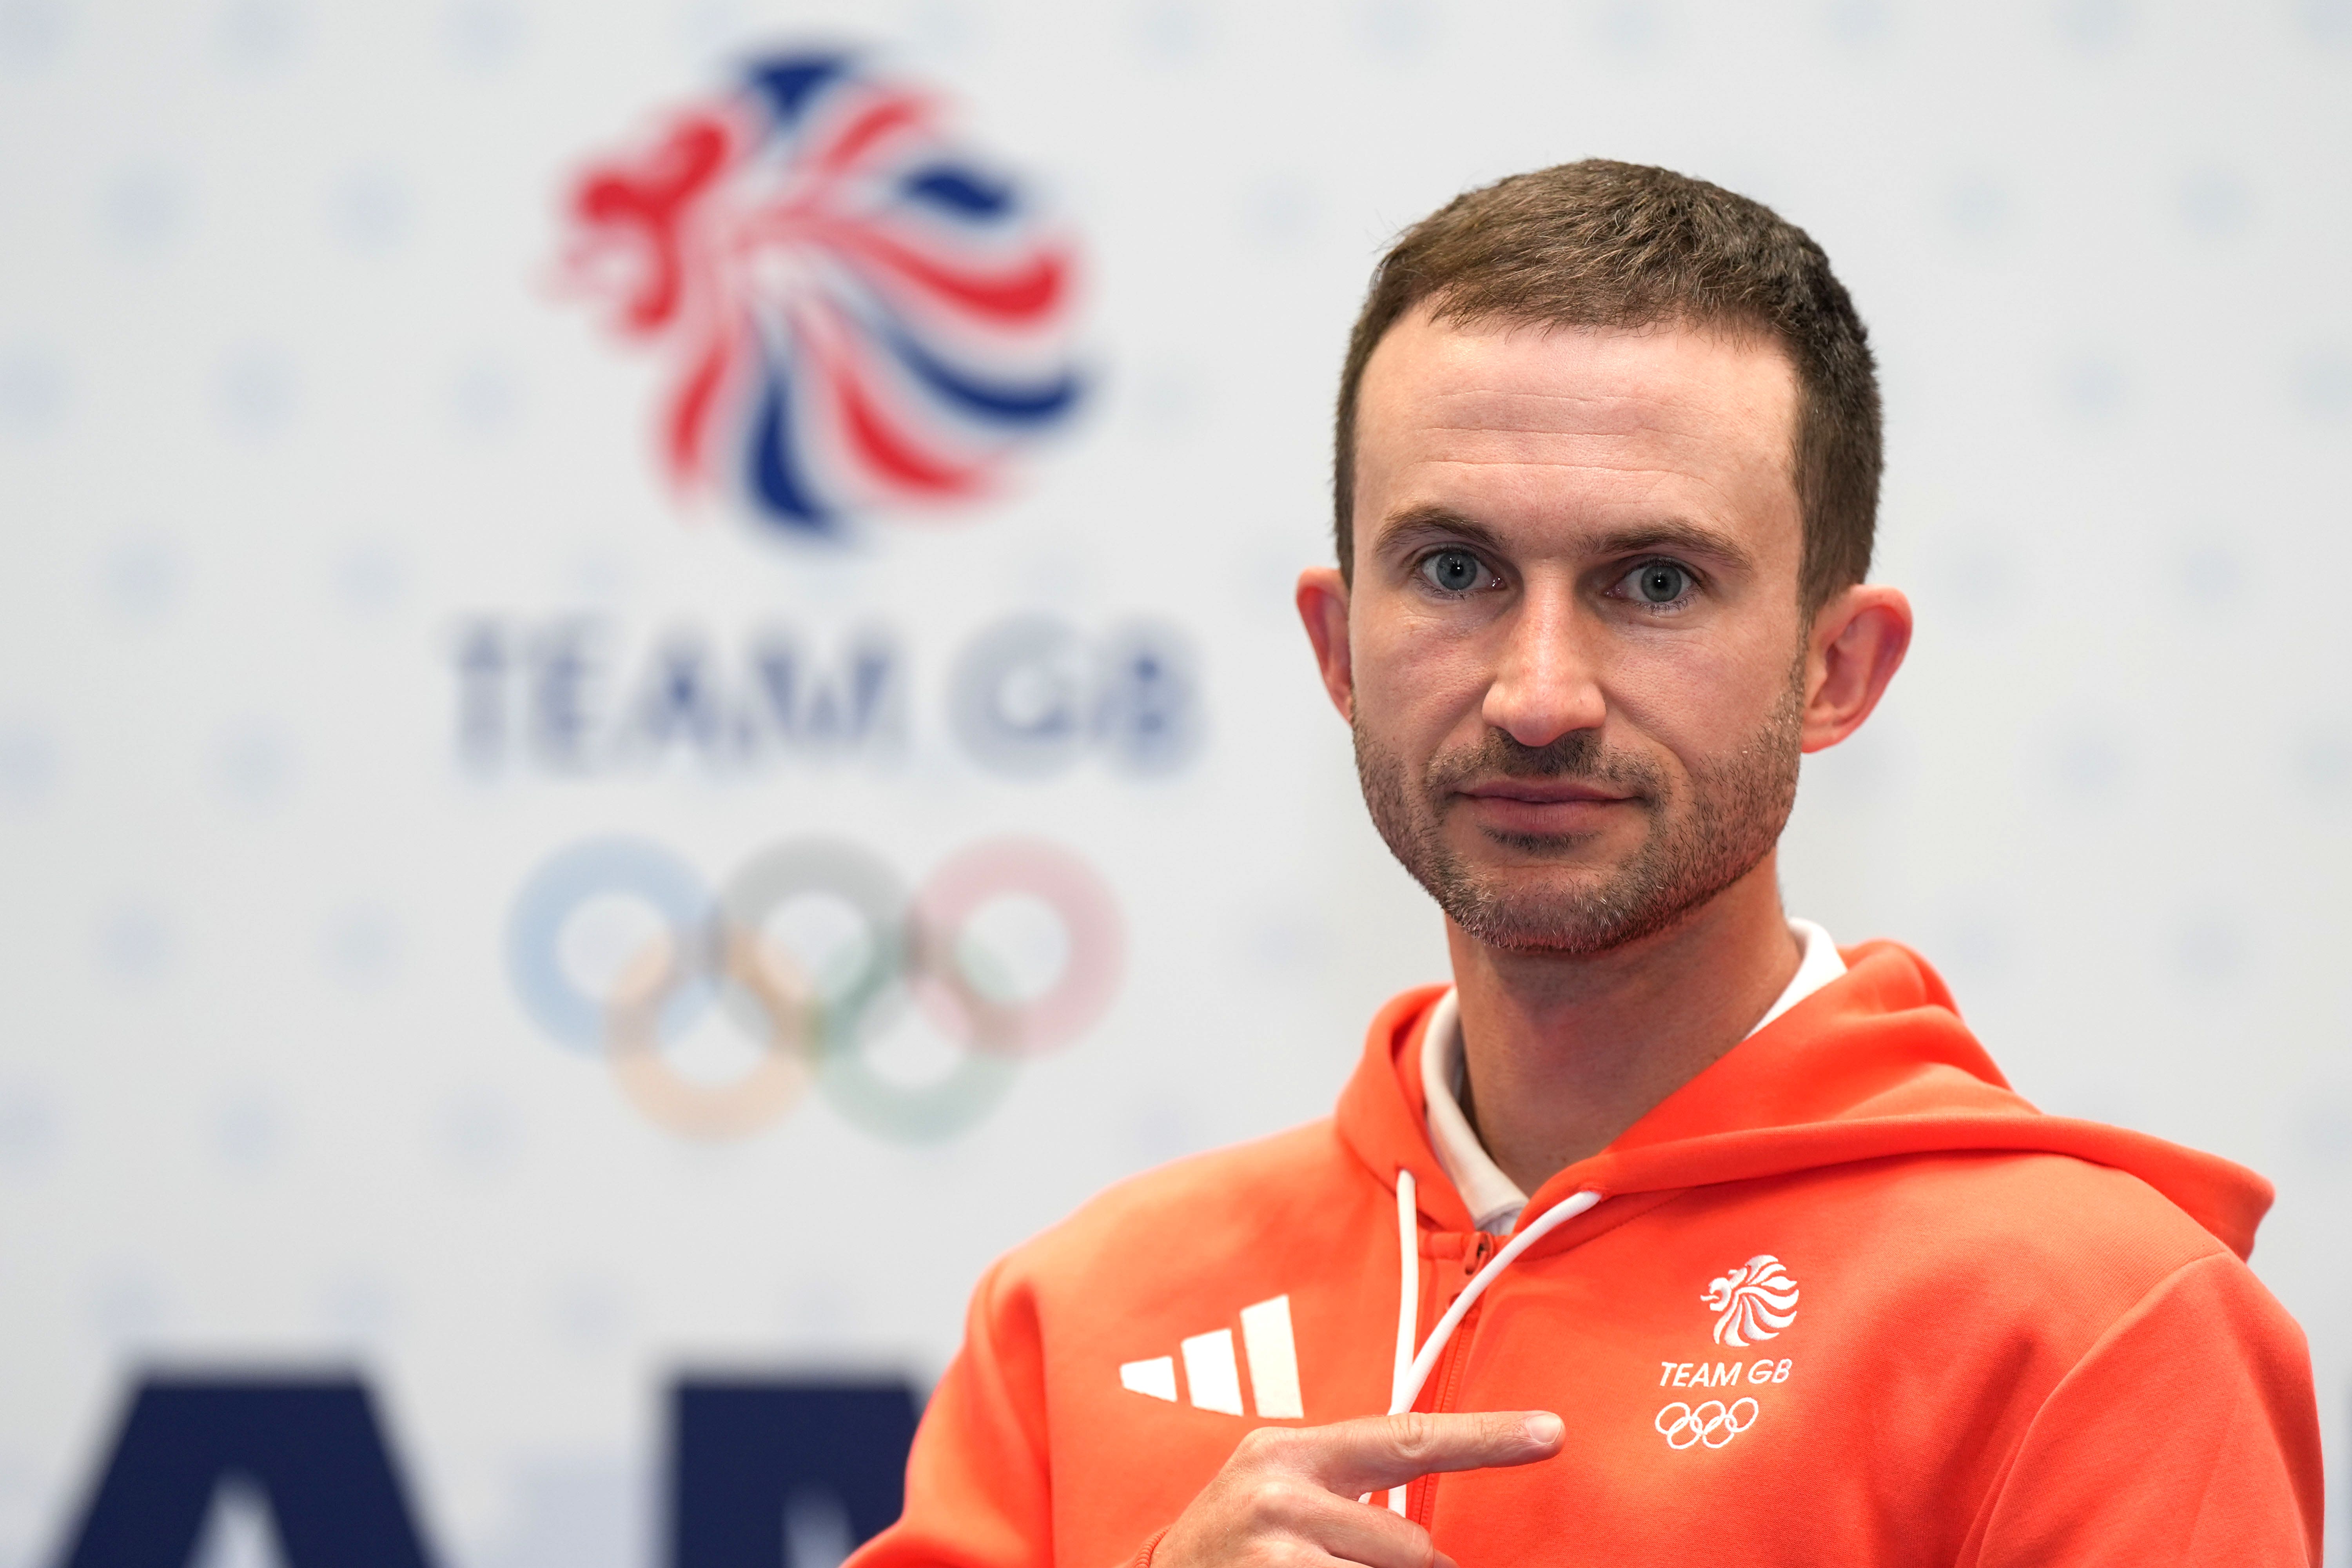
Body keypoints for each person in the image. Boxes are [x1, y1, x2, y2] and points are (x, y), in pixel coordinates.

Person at [845, 161, 2323, 1566]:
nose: (1537, 694)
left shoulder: (2092, 1324)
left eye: (1654, 583)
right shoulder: (1082, 1310)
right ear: (1337, 646)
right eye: (1456, 572)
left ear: (1837, 667)